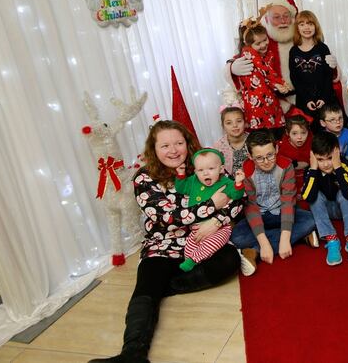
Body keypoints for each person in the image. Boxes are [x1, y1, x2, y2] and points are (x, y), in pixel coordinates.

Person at [89, 120, 242, 363]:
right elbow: (167, 219)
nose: (173, 150)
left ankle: (166, 288)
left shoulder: (204, 164)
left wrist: (217, 221)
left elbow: (235, 199)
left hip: (203, 240)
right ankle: (132, 354)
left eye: (179, 143)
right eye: (165, 145)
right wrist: (212, 205)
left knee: (230, 260)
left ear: (188, 144)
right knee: (146, 285)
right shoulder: (144, 178)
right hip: (163, 243)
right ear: (154, 149)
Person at [230, 130, 318, 276]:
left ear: (276, 149)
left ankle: (254, 251)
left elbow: (288, 202)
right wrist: (263, 242)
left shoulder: (286, 165)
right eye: (259, 158)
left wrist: (284, 239)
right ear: (250, 156)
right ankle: (299, 237)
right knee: (236, 236)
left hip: (282, 212)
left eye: (270, 155)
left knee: (311, 220)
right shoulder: (246, 170)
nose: (266, 162)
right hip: (259, 216)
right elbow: (250, 207)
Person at [174, 148, 245, 272]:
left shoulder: (225, 182)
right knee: (189, 247)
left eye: (211, 169)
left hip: (220, 228)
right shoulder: (193, 181)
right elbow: (181, 188)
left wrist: (238, 184)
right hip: (196, 227)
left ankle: (194, 260)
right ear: (195, 171)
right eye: (201, 170)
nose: (205, 173)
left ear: (221, 169)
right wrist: (181, 175)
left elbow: (236, 196)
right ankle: (192, 262)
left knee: (212, 243)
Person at [301, 131, 348, 266]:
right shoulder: (311, 170)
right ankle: (332, 239)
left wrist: (338, 167)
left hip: (344, 210)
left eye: (329, 158)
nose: (325, 164)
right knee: (315, 196)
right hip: (325, 212)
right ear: (313, 156)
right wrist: (313, 168)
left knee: (344, 193)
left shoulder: (345, 166)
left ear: (337, 153)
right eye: (320, 159)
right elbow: (308, 198)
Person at [230, 20, 290, 135]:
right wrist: (280, 83)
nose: (263, 45)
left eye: (265, 40)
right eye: (258, 43)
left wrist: (277, 85)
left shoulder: (267, 54)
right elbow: (266, 71)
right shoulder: (248, 52)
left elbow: (267, 76)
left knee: (276, 134)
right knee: (262, 134)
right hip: (257, 103)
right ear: (247, 44)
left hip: (269, 99)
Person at [289, 10, 341, 125]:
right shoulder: (293, 51)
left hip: (325, 96)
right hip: (304, 99)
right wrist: (307, 99)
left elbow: (328, 76)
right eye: (302, 24)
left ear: (315, 26)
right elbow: (295, 78)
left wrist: (323, 98)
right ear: (297, 28)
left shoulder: (322, 48)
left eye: (310, 24)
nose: (306, 27)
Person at [277, 115, 313, 209]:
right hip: (290, 180)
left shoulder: (312, 142)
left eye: (303, 133)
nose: (300, 137)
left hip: (308, 177)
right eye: (295, 133)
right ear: (287, 133)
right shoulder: (283, 147)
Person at [213, 104, 249, 175]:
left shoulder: (253, 140)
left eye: (239, 121)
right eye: (229, 123)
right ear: (223, 126)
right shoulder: (218, 147)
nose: (235, 125)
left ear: (245, 123)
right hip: (230, 183)